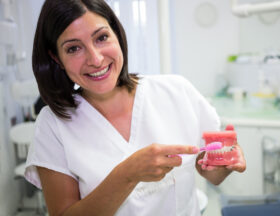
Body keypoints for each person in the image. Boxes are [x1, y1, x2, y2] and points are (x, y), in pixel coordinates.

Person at [25, 0, 246, 215]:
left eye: (101, 37)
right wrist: (127, 175)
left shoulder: (177, 91)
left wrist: (224, 165)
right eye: (73, 48)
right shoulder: (53, 125)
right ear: (56, 58)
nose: (96, 58)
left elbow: (212, 174)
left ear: (117, 34)